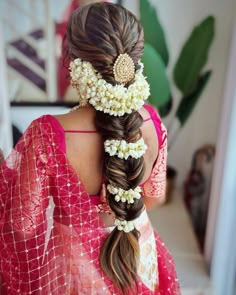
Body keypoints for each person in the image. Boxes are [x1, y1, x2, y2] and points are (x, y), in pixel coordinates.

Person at [0, 3, 180, 294]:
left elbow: (22, 223)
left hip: (75, 269)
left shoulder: (48, 132)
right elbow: (154, 198)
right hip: (137, 253)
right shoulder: (153, 121)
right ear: (133, 61)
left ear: (71, 59)